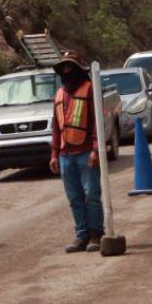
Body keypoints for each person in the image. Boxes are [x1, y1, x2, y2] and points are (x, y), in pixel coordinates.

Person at [48, 51, 104, 254]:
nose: (67, 72)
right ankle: (82, 235)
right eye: (63, 69)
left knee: (92, 195)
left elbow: (98, 121)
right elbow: (56, 127)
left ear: (79, 70)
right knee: (74, 197)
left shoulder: (89, 89)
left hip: (86, 152)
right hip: (65, 155)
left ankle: (96, 233)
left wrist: (96, 150)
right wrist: (54, 154)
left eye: (70, 67)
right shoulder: (60, 94)